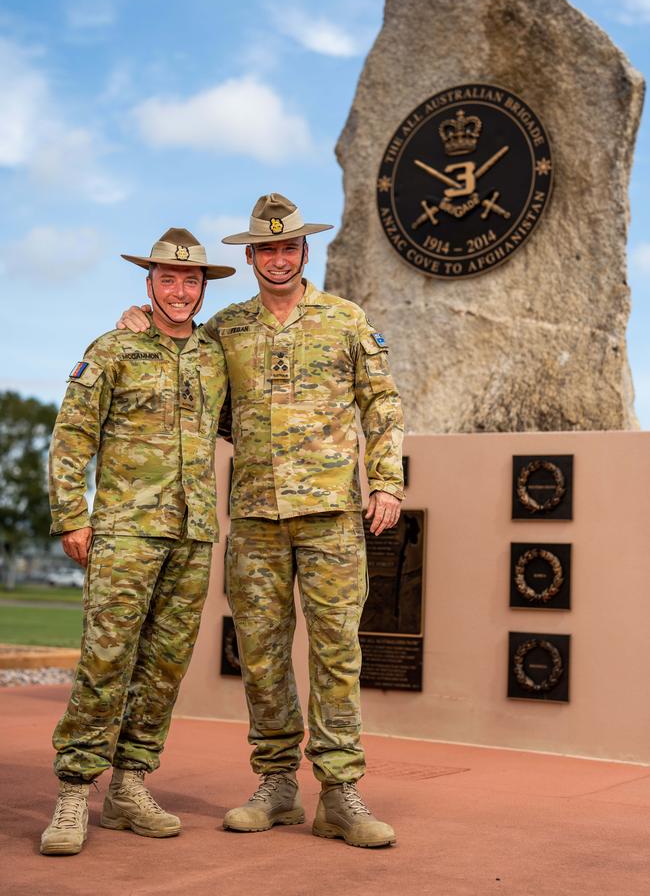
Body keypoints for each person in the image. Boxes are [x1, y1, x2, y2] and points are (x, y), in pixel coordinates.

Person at [119, 194, 404, 848]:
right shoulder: (226, 329)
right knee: (263, 654)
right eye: (265, 249)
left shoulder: (344, 320)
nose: (277, 258)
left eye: (288, 247)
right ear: (250, 257)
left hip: (331, 514)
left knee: (337, 653)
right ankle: (277, 786)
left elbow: (381, 406)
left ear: (305, 251)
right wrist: (142, 325)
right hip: (254, 517)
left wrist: (385, 481)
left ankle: (339, 794)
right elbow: (184, 387)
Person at [41, 228, 234, 856]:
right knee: (106, 661)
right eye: (167, 280)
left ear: (203, 287)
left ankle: (128, 786)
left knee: (164, 668)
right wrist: (73, 515)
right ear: (148, 283)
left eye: (190, 281)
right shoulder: (113, 348)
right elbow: (72, 435)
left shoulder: (214, 356)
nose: (179, 292)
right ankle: (74, 791)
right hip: (125, 531)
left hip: (192, 533)